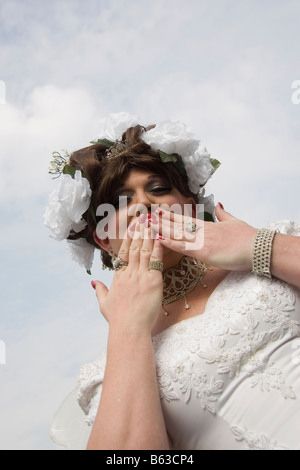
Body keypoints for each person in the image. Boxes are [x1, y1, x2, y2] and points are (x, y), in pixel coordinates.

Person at [45, 113, 300, 450]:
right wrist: (128, 329)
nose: (143, 204)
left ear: (191, 207)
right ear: (104, 238)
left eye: (158, 188)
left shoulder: (274, 248)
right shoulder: (104, 372)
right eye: (121, 201)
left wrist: (260, 247)